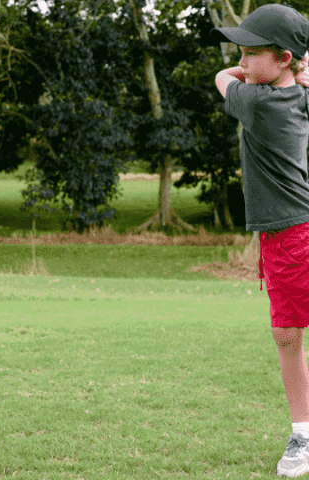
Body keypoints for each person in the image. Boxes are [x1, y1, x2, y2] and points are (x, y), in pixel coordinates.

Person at [210, 3, 309, 477]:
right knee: (287, 334)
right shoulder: (292, 96)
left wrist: (243, 72)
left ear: (284, 57)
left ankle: (303, 435)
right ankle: (304, 435)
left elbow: (220, 77)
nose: (243, 62)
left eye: (251, 53)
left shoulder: (261, 103)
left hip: (295, 235)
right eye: (241, 53)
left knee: (287, 337)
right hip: (284, 234)